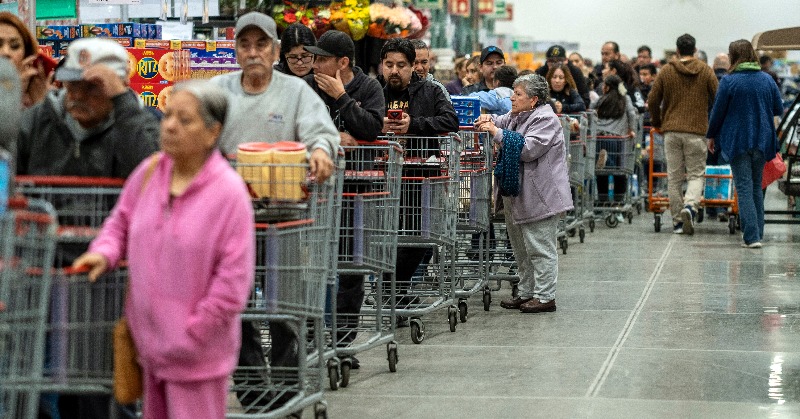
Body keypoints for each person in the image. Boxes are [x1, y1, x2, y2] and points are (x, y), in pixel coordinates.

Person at [73, 80, 254, 418]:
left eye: (184, 120)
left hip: (197, 357)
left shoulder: (229, 194)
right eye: (168, 115)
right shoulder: (151, 171)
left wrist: (190, 336)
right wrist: (105, 251)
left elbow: (233, 284)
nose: (169, 125)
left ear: (212, 132)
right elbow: (120, 223)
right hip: (149, 348)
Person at [17, 37, 160, 419]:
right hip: (40, 267)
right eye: (71, 83)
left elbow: (150, 175)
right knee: (36, 378)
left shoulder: (135, 123)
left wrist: (123, 103)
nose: (76, 94)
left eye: (91, 87)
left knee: (101, 380)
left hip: (107, 273)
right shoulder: (36, 121)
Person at [210, 12, 339, 414]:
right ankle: (251, 387)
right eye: (245, 45)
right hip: (230, 221)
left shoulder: (296, 93)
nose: (253, 53)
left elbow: (321, 132)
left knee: (286, 306)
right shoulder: (217, 91)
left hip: (285, 217)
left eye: (261, 45)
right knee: (235, 305)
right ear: (235, 49)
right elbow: (197, 133)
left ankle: (285, 390)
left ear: (275, 51)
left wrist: (320, 152)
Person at [303, 29, 384, 369]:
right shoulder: (306, 87)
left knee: (350, 267)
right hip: (314, 190)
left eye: (321, 59)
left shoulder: (368, 88)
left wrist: (342, 98)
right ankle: (312, 335)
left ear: (343, 63)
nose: (314, 63)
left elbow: (371, 129)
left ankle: (343, 342)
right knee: (312, 264)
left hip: (355, 190)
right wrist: (331, 136)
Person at [474, 73, 573, 313]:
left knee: (539, 247)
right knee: (521, 247)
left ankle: (545, 295)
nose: (512, 97)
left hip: (540, 194)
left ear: (534, 99)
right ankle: (528, 291)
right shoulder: (519, 115)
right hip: (518, 193)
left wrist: (495, 133)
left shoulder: (546, 119)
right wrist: (487, 119)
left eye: (518, 94)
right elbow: (501, 121)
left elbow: (528, 149)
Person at [380, 37, 458, 319]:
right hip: (382, 178)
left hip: (421, 177)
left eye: (401, 65)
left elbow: (450, 121)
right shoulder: (375, 90)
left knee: (420, 237)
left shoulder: (431, 91)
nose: (394, 71)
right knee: (382, 237)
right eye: (389, 65)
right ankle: (395, 295)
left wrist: (415, 124)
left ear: (413, 66)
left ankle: (392, 288)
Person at [707, 40, 784, 248]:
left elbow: (717, 113)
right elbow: (779, 108)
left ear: (733, 57)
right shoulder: (767, 80)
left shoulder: (729, 82)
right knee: (757, 186)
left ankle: (751, 237)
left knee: (743, 187)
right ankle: (757, 232)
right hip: (763, 140)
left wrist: (711, 135)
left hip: (738, 140)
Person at [647, 33, 718, 235]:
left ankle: (678, 222)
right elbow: (718, 97)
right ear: (695, 50)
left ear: (677, 51)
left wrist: (658, 122)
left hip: (671, 131)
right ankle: (690, 205)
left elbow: (652, 100)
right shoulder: (706, 71)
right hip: (696, 132)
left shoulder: (666, 71)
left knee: (674, 177)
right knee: (696, 174)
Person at [591, 75, 638, 202]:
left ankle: (602, 201)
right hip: (618, 139)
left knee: (601, 172)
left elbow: (590, 109)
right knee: (620, 170)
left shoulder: (601, 99)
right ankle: (618, 201)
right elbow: (632, 114)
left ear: (607, 87)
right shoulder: (624, 99)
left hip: (600, 138)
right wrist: (631, 129)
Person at [0, 12, 50, 108]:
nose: (6, 52)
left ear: (26, 54)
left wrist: (42, 104)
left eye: (15, 46)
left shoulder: (41, 92)